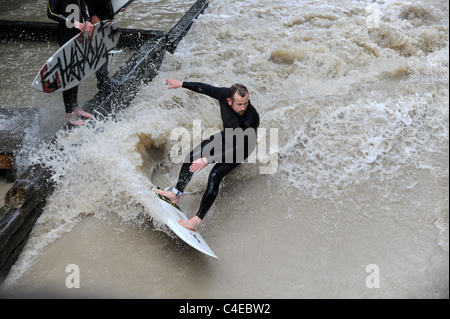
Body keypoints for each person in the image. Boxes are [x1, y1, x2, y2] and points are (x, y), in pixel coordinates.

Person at [156, 79, 260, 231]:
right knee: (191, 158)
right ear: (229, 100)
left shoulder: (251, 119)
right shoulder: (223, 94)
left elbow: (238, 148)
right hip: (225, 138)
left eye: (246, 103)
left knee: (215, 175)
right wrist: (182, 84)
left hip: (241, 148)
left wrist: (207, 159)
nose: (243, 107)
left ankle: (196, 220)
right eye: (239, 104)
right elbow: (205, 88)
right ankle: (176, 194)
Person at [47, 0, 95, 126]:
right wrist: (74, 23)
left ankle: (75, 107)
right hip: (65, 34)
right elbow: (51, 13)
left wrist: (88, 20)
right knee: (68, 71)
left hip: (78, 32)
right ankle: (69, 113)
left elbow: (83, 4)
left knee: (77, 69)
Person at [86, 0, 123, 92]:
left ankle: (105, 78)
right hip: (97, 13)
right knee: (100, 48)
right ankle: (102, 82)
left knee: (107, 47)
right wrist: (92, 15)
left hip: (107, 11)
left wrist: (119, 5)